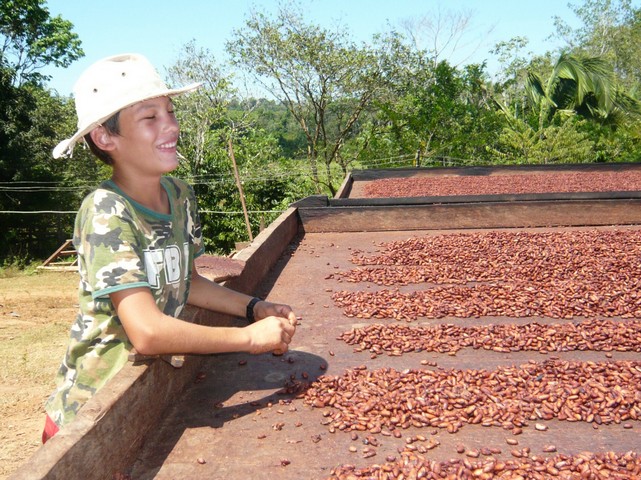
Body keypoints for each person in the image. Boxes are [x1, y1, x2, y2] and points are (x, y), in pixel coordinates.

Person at [43, 53, 298, 443]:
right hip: (93, 416)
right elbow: (146, 332)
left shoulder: (179, 196)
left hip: (148, 397)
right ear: (105, 137)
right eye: (151, 117)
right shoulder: (107, 211)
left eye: (170, 112)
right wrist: (250, 338)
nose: (172, 126)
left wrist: (253, 307)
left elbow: (186, 281)